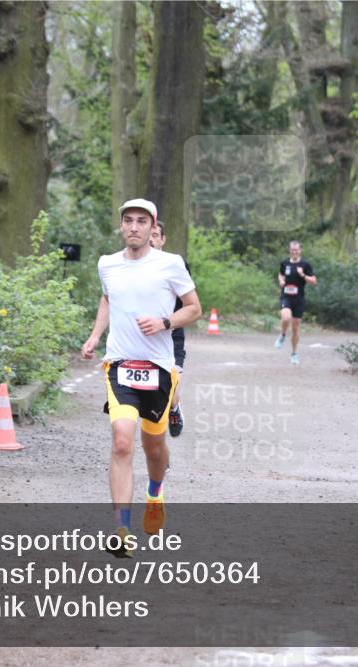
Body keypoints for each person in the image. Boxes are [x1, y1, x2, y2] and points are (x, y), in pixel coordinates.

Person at [81, 198, 201, 557]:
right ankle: (121, 529)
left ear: (153, 227)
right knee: (121, 440)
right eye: (128, 221)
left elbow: (194, 308)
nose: (134, 227)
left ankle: (155, 491)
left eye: (141, 222)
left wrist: (164, 322)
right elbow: (107, 299)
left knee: (154, 447)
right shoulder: (107, 264)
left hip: (159, 369)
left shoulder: (171, 264)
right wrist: (94, 336)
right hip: (119, 364)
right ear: (121, 226)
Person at [149, 221, 188, 437]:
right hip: (145, 338)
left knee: (170, 392)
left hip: (172, 335)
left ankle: (175, 407)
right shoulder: (133, 265)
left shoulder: (175, 265)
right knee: (152, 394)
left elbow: (188, 304)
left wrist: (166, 320)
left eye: (156, 235)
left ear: (163, 240)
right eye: (150, 235)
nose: (152, 239)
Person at [274, 240, 317, 365]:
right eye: (292, 250)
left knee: (296, 328)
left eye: (296, 250)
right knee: (286, 318)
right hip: (286, 297)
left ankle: (294, 353)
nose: (294, 252)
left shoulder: (305, 265)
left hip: (299, 299)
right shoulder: (285, 263)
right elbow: (280, 274)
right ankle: (282, 335)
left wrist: (303, 275)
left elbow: (314, 281)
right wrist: (281, 281)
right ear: (290, 250)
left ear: (300, 250)